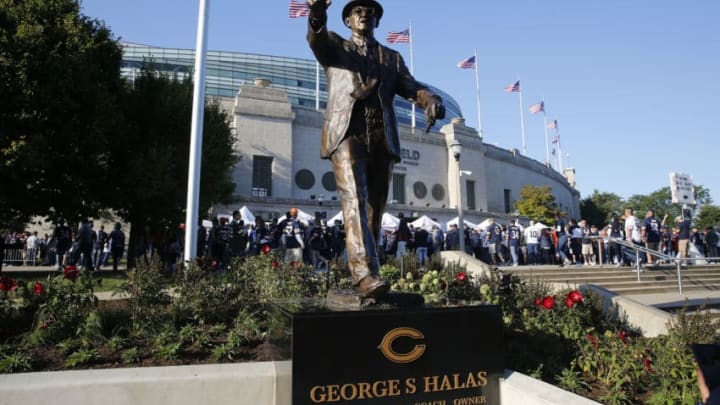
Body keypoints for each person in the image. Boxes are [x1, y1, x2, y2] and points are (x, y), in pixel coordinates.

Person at [305, 0, 445, 298]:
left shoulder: (391, 58)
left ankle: (371, 271)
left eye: (370, 12)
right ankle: (363, 273)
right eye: (358, 11)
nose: (364, 15)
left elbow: (411, 86)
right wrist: (317, 13)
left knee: (375, 207)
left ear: (377, 22)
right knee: (354, 198)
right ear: (347, 21)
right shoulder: (335, 46)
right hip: (347, 132)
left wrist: (429, 99)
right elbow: (316, 39)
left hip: (381, 136)